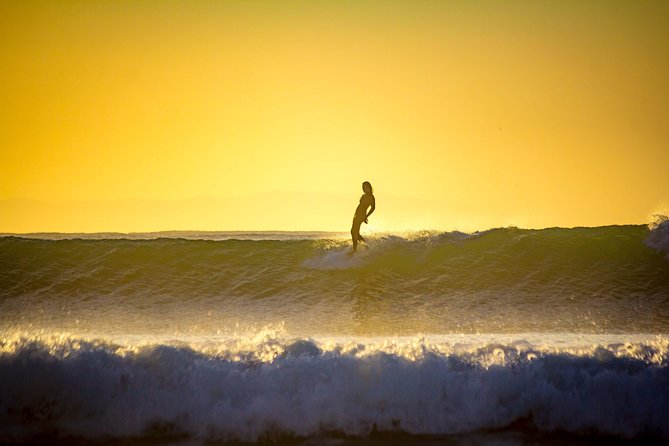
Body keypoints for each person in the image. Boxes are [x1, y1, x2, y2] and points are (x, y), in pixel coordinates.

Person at [350, 181, 375, 253]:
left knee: (354, 232)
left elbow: (373, 208)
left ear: (369, 187)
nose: (363, 189)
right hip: (357, 214)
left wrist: (366, 216)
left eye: (365, 187)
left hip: (361, 215)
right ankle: (364, 246)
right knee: (354, 232)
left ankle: (357, 248)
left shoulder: (371, 196)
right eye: (362, 187)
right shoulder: (364, 195)